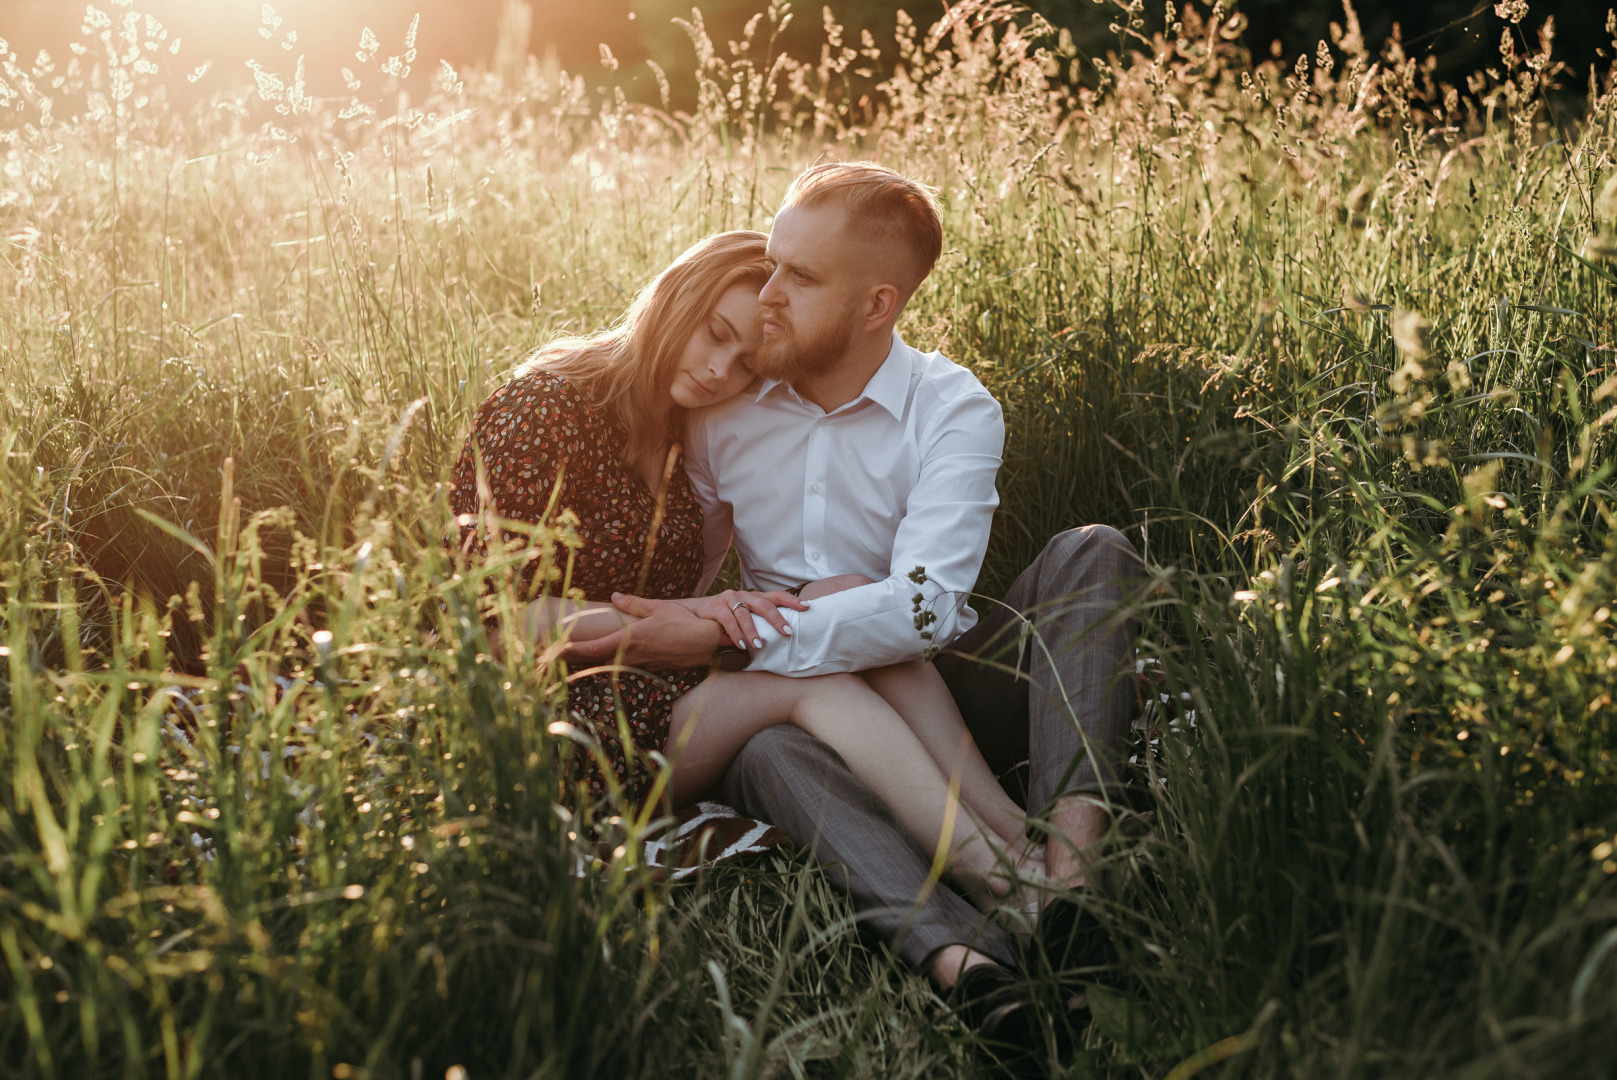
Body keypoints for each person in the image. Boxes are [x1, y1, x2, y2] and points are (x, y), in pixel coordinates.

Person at [565, 164, 1144, 1032]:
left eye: (799, 279)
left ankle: (1069, 877)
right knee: (766, 756)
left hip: (945, 678)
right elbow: (685, 578)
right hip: (816, 713)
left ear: (876, 306)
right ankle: (975, 969)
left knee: (1091, 552)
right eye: (771, 263)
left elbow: (922, 612)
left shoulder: (951, 406)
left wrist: (737, 642)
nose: (767, 295)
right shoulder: (724, 412)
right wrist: (698, 641)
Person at [447, 230, 1036, 918]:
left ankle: (1010, 825)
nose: (718, 371)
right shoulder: (543, 410)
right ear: (672, 299)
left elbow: (690, 593)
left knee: (848, 601)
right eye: (714, 334)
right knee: (819, 677)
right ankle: (994, 874)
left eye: (745, 364)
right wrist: (696, 628)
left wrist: (715, 620)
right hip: (554, 715)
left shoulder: (684, 428)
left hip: (653, 683)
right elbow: (485, 626)